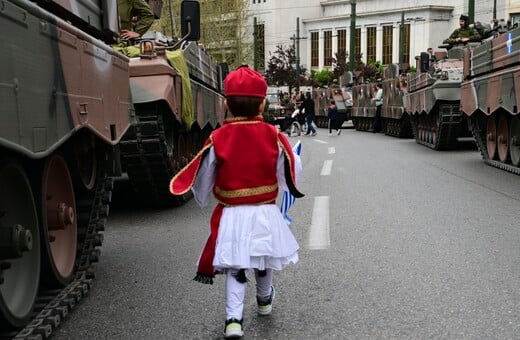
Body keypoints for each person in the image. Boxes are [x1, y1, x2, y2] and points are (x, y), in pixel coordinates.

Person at [169, 65, 304, 339]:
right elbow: (290, 170)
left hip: (232, 215)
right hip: (264, 212)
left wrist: (204, 198)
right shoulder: (274, 136)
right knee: (263, 257)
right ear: (263, 103)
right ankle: (264, 301)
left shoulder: (217, 138)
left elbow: (204, 174)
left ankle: (233, 320)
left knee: (236, 265)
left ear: (227, 105)